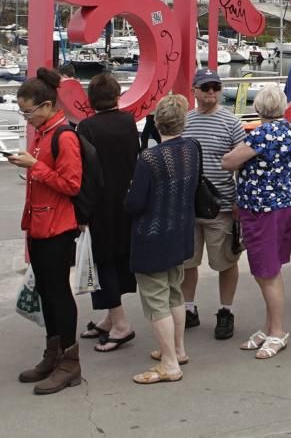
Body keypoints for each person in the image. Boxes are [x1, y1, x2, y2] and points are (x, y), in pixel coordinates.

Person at [7, 68, 83, 394]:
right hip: (39, 224)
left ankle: (69, 362)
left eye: (29, 112)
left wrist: (34, 167)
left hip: (57, 227)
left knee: (58, 294)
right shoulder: (42, 134)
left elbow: (72, 184)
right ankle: (53, 353)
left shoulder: (63, 136)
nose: (27, 118)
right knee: (48, 295)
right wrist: (31, 166)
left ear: (47, 106)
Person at [220, 85, 291, 359]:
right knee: (271, 270)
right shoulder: (289, 131)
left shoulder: (262, 135)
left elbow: (229, 162)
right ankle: (269, 328)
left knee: (266, 273)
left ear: (258, 107)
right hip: (283, 205)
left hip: (262, 209)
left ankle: (277, 331)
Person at [125, 94, 197, 384]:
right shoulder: (192, 148)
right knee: (174, 292)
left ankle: (169, 364)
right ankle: (178, 350)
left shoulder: (149, 158)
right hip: (180, 231)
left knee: (156, 301)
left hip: (152, 237)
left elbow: (134, 203)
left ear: (156, 122)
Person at [77, 74, 139, 353]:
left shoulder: (86, 128)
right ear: (117, 96)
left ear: (91, 99)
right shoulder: (128, 122)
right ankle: (110, 317)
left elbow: (85, 172)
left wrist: (81, 210)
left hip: (99, 204)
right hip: (125, 201)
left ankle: (121, 323)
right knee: (118, 258)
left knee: (101, 262)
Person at [182, 68, 246, 340]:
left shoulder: (232, 123)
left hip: (222, 203)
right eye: (205, 87)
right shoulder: (185, 121)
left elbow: (243, 165)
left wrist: (239, 200)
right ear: (194, 90)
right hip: (189, 205)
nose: (211, 93)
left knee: (226, 261)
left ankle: (225, 310)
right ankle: (188, 308)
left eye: (215, 88)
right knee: (187, 262)